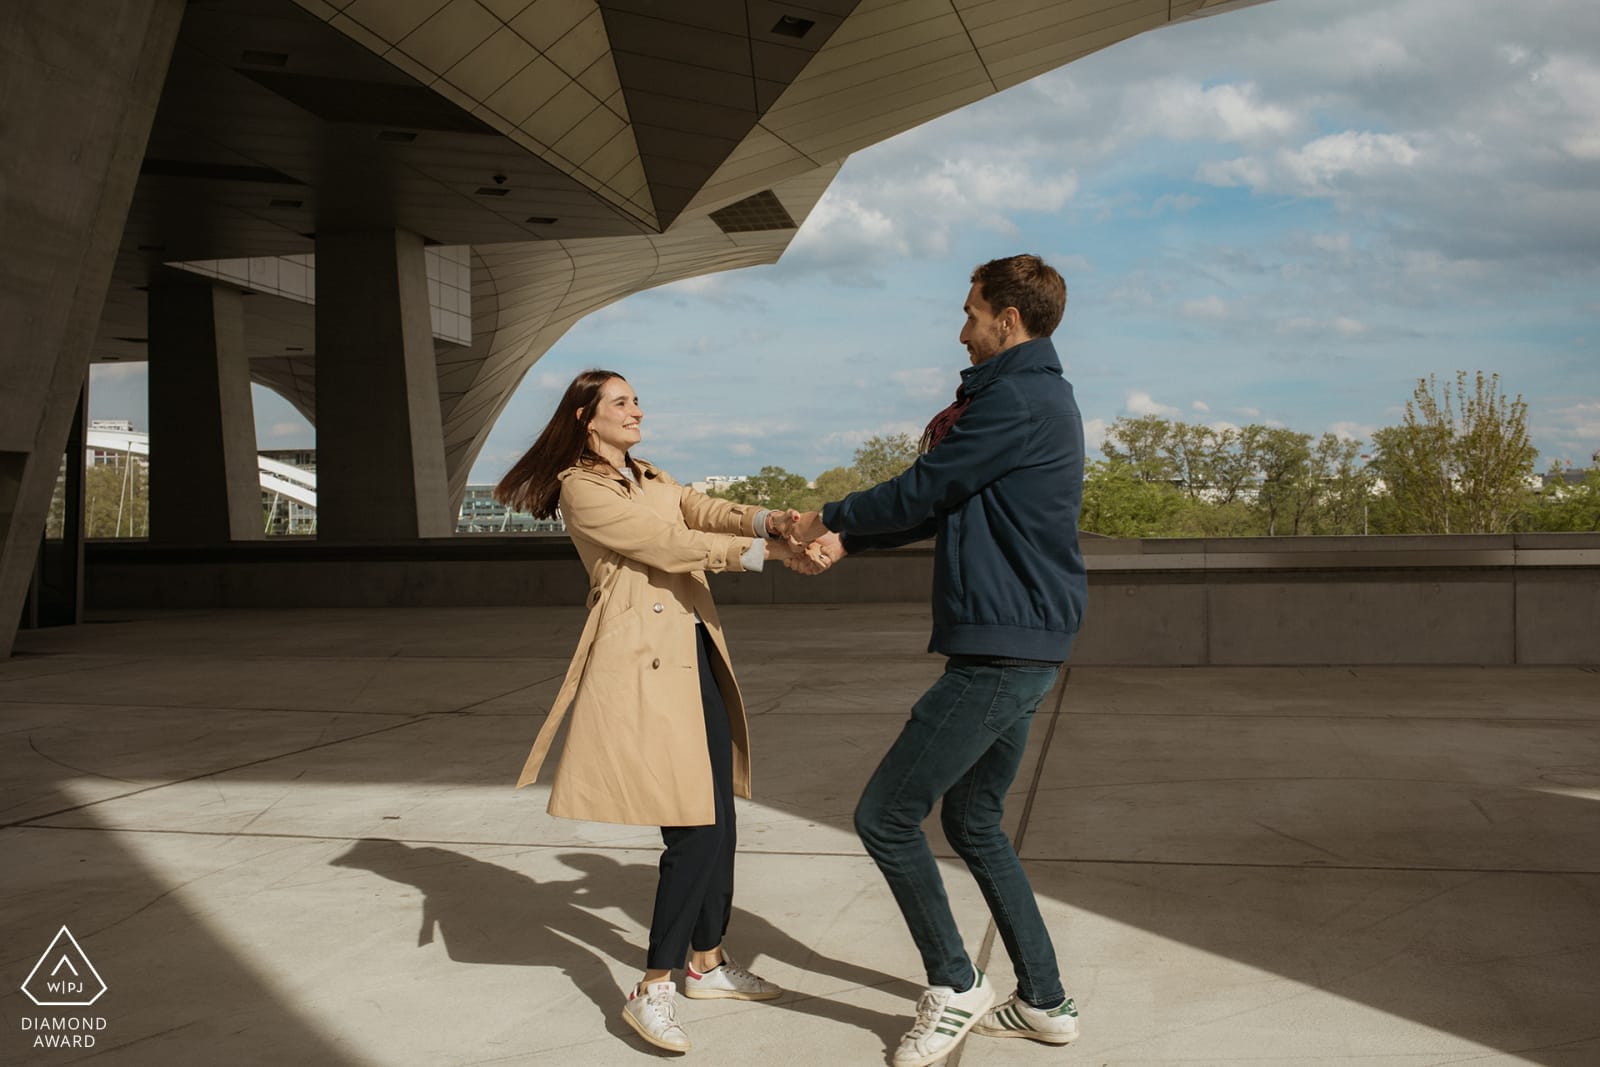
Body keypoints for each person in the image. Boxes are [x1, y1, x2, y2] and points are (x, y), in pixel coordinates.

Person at [788, 254, 1087, 1066]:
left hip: (1000, 649)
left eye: (971, 313)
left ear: (1008, 320)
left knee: (884, 815)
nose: (962, 330)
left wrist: (825, 515)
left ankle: (956, 984)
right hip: (1020, 641)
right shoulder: (1031, 396)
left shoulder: (1017, 399)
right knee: (972, 819)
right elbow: (946, 501)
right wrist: (848, 540)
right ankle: (1046, 1001)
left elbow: (924, 486)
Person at [495, 369, 805, 1054]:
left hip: (693, 653)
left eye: (636, 399)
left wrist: (773, 521)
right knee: (692, 825)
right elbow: (665, 542)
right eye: (621, 402)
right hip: (643, 668)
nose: (637, 410)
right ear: (585, 417)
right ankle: (654, 985)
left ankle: (707, 962)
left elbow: (699, 508)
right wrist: (763, 553)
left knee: (718, 817)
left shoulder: (648, 475)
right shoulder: (582, 488)